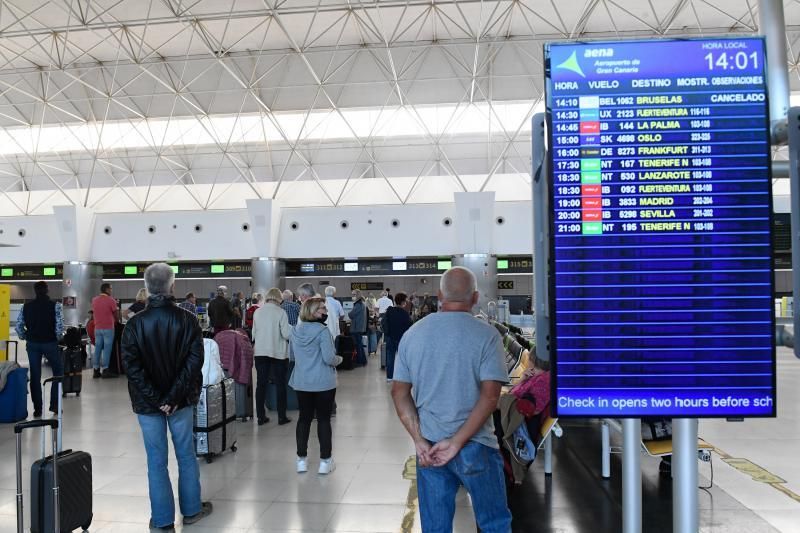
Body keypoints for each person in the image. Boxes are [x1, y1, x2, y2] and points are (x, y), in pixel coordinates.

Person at [391, 267, 511, 532]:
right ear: (476, 297)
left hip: (430, 447)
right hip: (477, 446)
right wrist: (457, 442)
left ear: (439, 295)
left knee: (435, 527)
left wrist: (419, 440)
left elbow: (399, 393)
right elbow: (491, 396)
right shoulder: (488, 335)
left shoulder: (413, 334)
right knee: (494, 523)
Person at [121, 263, 213, 530]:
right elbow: (194, 362)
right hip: (181, 403)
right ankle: (192, 510)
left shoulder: (134, 325)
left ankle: (162, 521)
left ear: (147, 288)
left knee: (156, 461)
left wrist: (156, 398)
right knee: (186, 454)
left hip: (148, 406)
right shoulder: (188, 320)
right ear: (172, 287)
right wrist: (172, 397)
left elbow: (132, 368)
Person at [289, 297, 342, 475]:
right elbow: (329, 358)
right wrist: (339, 360)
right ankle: (325, 462)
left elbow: (292, 357)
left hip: (302, 382)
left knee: (304, 419)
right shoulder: (322, 331)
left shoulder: (295, 330)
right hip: (323, 383)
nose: (325, 312)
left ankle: (301, 461)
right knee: (324, 420)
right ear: (312, 312)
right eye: (322, 309)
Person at [15, 281, 64, 418]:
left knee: (35, 376)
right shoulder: (56, 306)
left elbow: (19, 327)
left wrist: (26, 336)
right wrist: (57, 338)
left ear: (35, 291)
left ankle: (37, 409)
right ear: (47, 290)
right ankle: (54, 405)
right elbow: (59, 328)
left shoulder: (26, 306)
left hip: (33, 344)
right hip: (50, 343)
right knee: (58, 373)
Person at [252, 288, 292, 426]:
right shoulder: (281, 312)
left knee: (261, 384)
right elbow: (286, 334)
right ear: (279, 298)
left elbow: (253, 333)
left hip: (260, 352)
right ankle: (282, 417)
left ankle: (260, 417)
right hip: (278, 353)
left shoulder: (258, 311)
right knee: (280, 384)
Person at [383, 292, 412, 382]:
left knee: (390, 357)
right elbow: (409, 327)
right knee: (403, 359)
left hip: (390, 337)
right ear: (403, 302)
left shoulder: (389, 310)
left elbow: (384, 323)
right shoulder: (405, 314)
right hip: (401, 339)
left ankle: (389, 377)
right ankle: (403, 377)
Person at [91, 282, 118, 378]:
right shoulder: (111, 300)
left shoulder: (94, 300)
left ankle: (96, 370)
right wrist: (117, 321)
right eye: (110, 288)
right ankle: (106, 370)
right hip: (108, 328)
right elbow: (115, 314)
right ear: (106, 289)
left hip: (97, 328)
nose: (111, 290)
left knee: (97, 349)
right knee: (107, 349)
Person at [348, 289, 368, 366]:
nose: (352, 296)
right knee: (359, 344)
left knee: (358, 345)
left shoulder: (358, 304)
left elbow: (351, 315)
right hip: (359, 327)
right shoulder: (362, 304)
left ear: (357, 295)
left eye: (354, 295)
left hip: (356, 328)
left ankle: (360, 361)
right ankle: (362, 360)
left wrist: (350, 312)